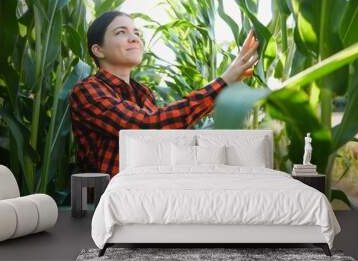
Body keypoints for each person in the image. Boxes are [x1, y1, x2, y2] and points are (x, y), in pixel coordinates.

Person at [69, 10, 259, 177]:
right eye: (121, 32)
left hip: (150, 191)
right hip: (110, 198)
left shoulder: (143, 93)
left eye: (137, 33)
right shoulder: (87, 91)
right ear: (98, 50)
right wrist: (222, 82)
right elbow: (146, 127)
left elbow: (162, 136)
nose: (134, 38)